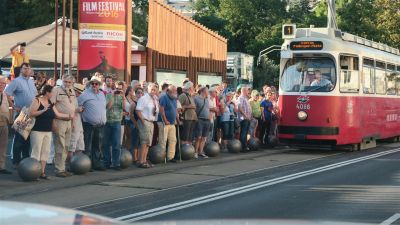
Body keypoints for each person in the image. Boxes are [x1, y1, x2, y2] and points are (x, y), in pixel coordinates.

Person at [30, 85, 73, 179]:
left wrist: (68, 115)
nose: (53, 94)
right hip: (37, 130)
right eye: (51, 92)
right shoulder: (37, 100)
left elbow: (56, 114)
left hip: (48, 131)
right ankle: (33, 172)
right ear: (47, 92)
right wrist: (43, 110)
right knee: (36, 152)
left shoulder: (50, 102)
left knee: (45, 151)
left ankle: (42, 172)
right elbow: (31, 113)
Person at [4, 63, 37, 167]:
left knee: (27, 139)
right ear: (21, 70)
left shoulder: (31, 82)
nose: (27, 70)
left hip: (31, 114)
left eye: (28, 68)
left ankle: (25, 161)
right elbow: (6, 93)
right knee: (19, 139)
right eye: (25, 68)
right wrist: (13, 106)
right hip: (21, 114)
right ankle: (16, 161)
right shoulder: (16, 81)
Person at [51, 75, 78, 177]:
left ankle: (62, 167)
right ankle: (59, 169)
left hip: (69, 122)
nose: (67, 84)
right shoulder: (56, 89)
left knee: (66, 146)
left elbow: (73, 107)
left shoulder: (72, 91)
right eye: (65, 81)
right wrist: (53, 120)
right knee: (60, 145)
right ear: (62, 81)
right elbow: (51, 105)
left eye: (69, 82)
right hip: (59, 121)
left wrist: (73, 122)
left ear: (72, 83)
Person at [78, 77, 107, 171]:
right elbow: (77, 106)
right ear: (89, 84)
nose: (94, 85)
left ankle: (96, 164)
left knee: (98, 146)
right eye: (92, 83)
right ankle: (87, 164)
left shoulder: (102, 94)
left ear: (99, 85)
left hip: (100, 125)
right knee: (88, 145)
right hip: (88, 124)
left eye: (96, 84)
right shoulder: (84, 94)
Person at [102, 81, 125, 170]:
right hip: (107, 121)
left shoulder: (121, 97)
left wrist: (123, 98)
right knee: (106, 143)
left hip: (117, 121)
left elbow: (123, 108)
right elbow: (108, 106)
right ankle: (106, 162)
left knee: (116, 143)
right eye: (117, 89)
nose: (118, 90)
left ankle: (116, 163)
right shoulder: (108, 95)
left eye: (120, 89)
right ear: (113, 88)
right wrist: (113, 96)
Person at [136, 83, 159, 168]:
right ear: (147, 90)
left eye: (155, 90)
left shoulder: (155, 99)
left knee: (148, 143)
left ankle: (144, 160)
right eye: (151, 89)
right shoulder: (143, 98)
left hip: (151, 122)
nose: (153, 91)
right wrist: (143, 121)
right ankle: (141, 161)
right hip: (145, 121)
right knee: (144, 142)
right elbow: (138, 110)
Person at [159, 84, 178, 162]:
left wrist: (177, 119)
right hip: (164, 122)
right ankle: (161, 156)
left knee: (173, 140)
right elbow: (161, 110)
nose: (175, 92)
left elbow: (175, 110)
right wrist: (165, 120)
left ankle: (170, 157)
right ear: (169, 91)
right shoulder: (164, 97)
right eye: (174, 91)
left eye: (175, 91)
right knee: (163, 140)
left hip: (172, 123)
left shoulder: (174, 98)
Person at [68, 83, 85, 164]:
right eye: (78, 92)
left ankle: (78, 164)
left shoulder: (77, 98)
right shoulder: (69, 98)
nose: (79, 94)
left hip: (79, 125)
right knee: (71, 147)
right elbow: (66, 110)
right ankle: (70, 165)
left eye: (80, 93)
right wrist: (77, 110)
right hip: (73, 124)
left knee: (80, 146)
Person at [178, 81, 197, 145]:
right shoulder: (183, 95)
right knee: (185, 136)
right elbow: (177, 106)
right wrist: (188, 106)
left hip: (192, 118)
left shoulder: (190, 96)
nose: (194, 88)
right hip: (186, 118)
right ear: (189, 88)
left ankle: (189, 151)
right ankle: (184, 150)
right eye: (192, 87)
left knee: (190, 136)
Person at [194, 87, 210, 158]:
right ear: (203, 92)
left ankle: (201, 151)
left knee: (204, 137)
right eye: (207, 91)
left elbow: (208, 109)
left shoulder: (206, 99)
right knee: (198, 137)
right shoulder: (196, 98)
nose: (208, 93)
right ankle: (195, 152)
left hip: (207, 120)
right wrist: (195, 118)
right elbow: (194, 109)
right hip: (200, 119)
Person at [128, 87, 144, 163]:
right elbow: (131, 115)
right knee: (135, 141)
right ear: (135, 94)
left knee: (141, 142)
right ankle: (135, 159)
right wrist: (136, 124)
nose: (140, 94)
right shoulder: (134, 103)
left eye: (141, 93)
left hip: (143, 124)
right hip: (135, 124)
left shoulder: (144, 103)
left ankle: (140, 158)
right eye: (138, 92)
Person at [0, 76, 12, 174]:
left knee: (3, 146)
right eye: (0, 83)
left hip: (4, 124)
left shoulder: (4, 95)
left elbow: (11, 106)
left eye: (3, 83)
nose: (2, 85)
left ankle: (1, 166)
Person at [237, 87, 252, 152]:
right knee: (243, 132)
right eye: (246, 91)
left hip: (247, 118)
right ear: (243, 91)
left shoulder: (245, 98)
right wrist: (245, 115)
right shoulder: (241, 98)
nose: (248, 92)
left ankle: (244, 146)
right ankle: (242, 147)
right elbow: (240, 107)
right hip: (244, 118)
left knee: (245, 133)